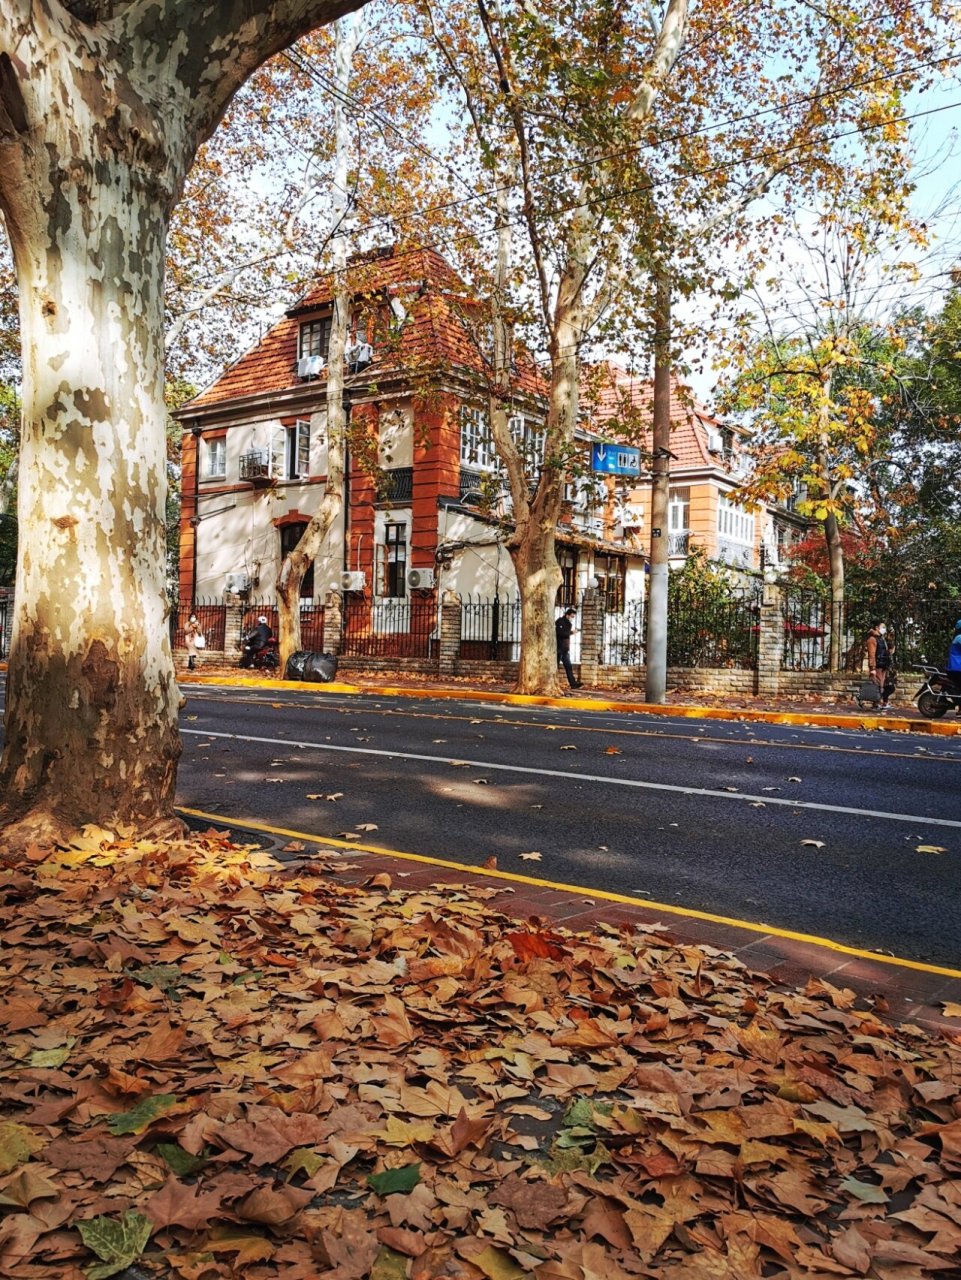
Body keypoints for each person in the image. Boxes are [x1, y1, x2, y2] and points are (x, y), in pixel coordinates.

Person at [865, 620, 893, 711]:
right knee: (877, 685)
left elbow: (883, 652)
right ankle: (875, 704)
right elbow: (871, 654)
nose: (884, 629)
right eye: (883, 627)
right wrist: (872, 668)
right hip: (877, 666)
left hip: (884, 665)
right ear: (877, 628)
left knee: (886, 685)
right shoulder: (872, 639)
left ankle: (884, 703)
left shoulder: (882, 639)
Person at [555, 607, 582, 690]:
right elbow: (560, 633)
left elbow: (565, 634)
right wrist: (572, 632)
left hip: (565, 650)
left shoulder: (569, 623)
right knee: (555, 667)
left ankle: (573, 684)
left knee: (568, 666)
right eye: (572, 616)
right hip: (558, 649)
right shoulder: (560, 621)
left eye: (573, 617)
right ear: (567, 615)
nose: (572, 618)